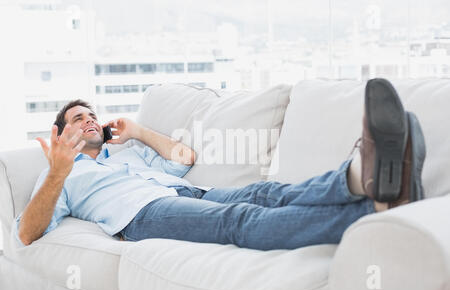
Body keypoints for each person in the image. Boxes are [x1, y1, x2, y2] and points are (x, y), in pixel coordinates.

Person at [14, 78, 426, 250]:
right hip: (144, 214)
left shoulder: (127, 156)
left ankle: (360, 178)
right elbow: (28, 234)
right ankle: (375, 209)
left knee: (269, 192)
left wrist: (138, 131)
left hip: (189, 192)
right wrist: (57, 172)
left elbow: (185, 158)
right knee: (239, 219)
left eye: (91, 114)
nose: (88, 119)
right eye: (76, 118)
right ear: (60, 134)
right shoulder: (62, 175)